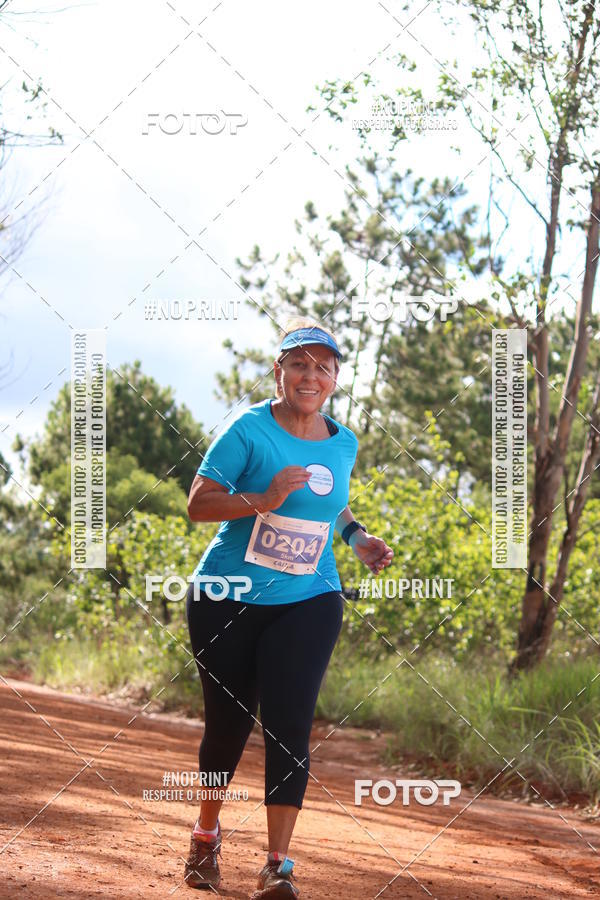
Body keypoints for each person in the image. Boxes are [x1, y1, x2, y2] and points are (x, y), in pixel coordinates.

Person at [183, 318, 393, 898]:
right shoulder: (247, 430)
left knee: (290, 724)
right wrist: (264, 499)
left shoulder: (343, 441)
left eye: (322, 366)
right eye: (298, 363)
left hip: (310, 596)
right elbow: (198, 505)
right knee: (228, 726)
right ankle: (205, 835)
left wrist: (359, 541)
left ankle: (278, 865)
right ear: (279, 371)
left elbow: (337, 509)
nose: (310, 375)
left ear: (334, 379)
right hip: (226, 597)